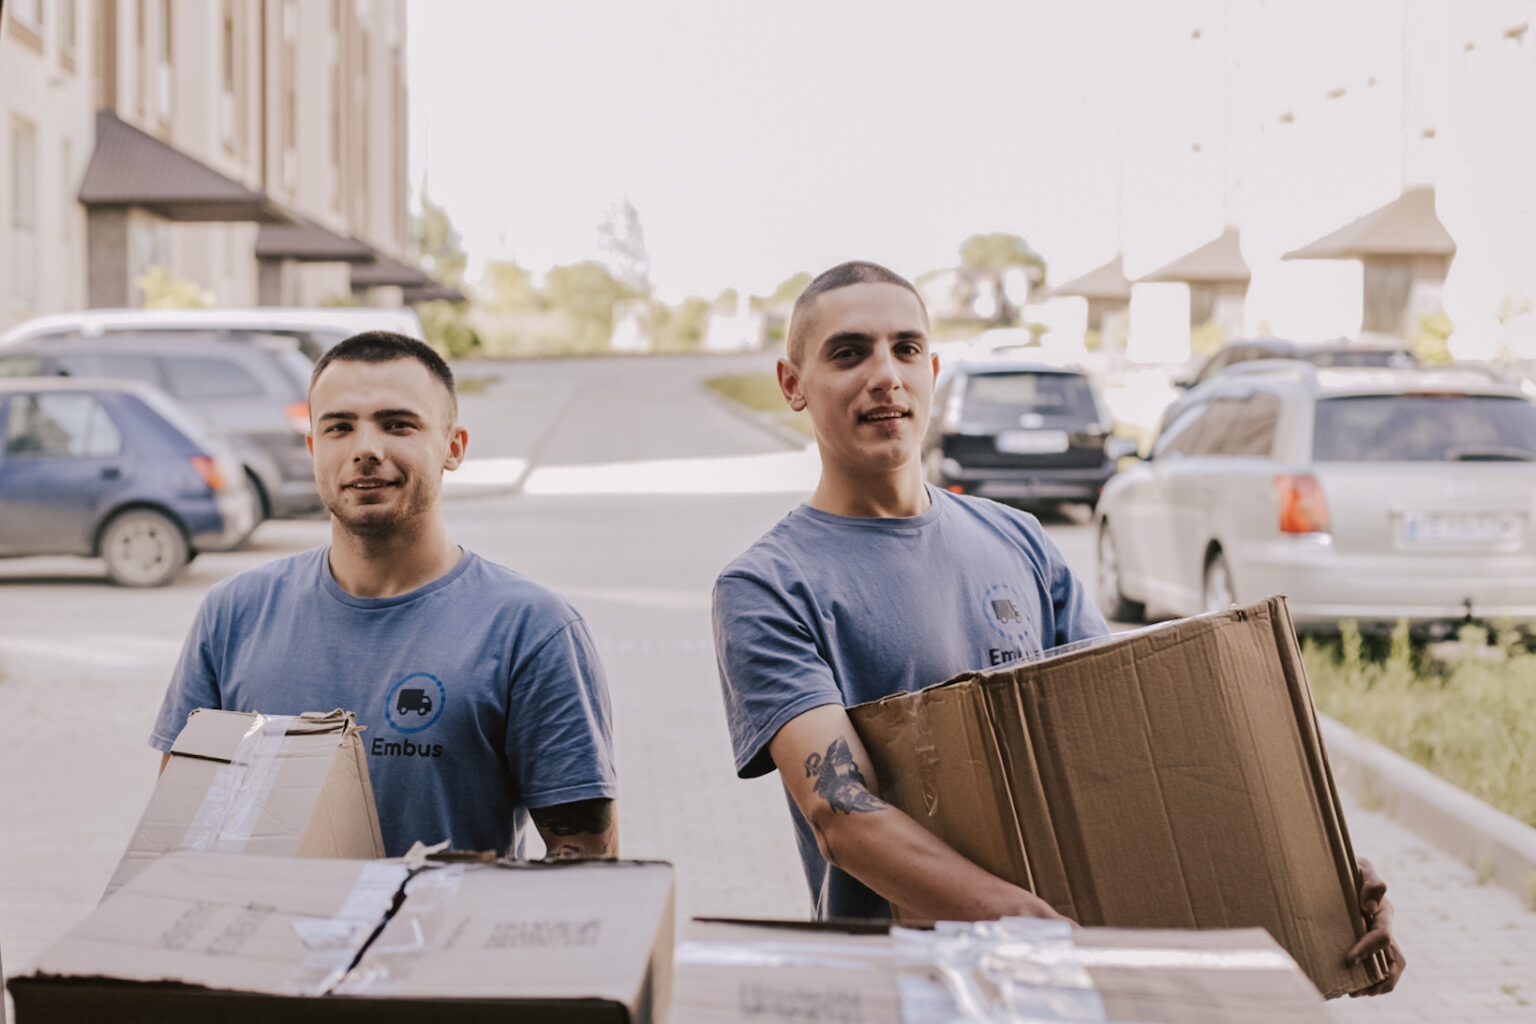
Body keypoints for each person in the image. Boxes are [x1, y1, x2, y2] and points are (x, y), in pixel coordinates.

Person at [711, 261, 1403, 994]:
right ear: (793, 384)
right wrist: (1028, 925)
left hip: (1064, 981)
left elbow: (1131, 749)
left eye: (906, 349)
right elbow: (841, 814)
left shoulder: (1022, 543)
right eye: (850, 353)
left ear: (933, 370)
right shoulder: (767, 586)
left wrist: (1319, 870)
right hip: (902, 992)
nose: (885, 375)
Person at [150, 332, 617, 861]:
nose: (365, 449)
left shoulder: (531, 629)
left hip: (440, 942)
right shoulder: (232, 614)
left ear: (453, 447)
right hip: (268, 943)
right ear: (312, 448)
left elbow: (585, 859)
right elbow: (178, 836)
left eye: (398, 425)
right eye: (339, 427)